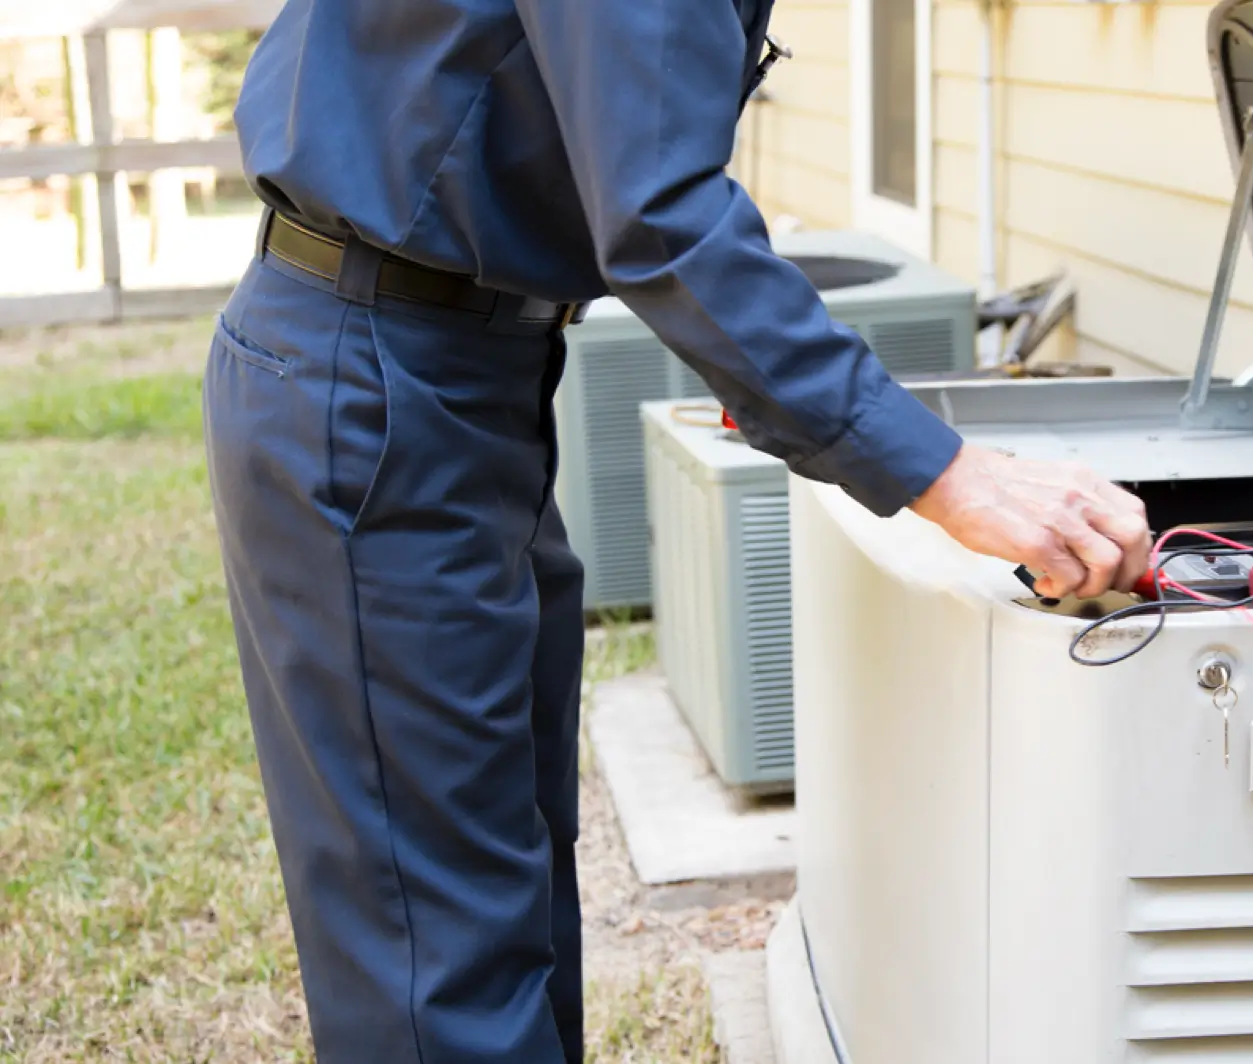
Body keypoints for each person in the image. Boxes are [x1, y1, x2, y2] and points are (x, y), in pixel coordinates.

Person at [200, 1, 1151, 1060]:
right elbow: (661, 218)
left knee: (504, 876)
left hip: (464, 369)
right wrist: (942, 470)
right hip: (382, 372)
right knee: (437, 947)